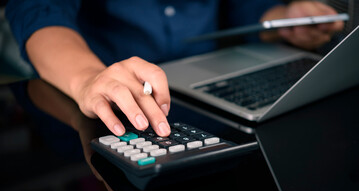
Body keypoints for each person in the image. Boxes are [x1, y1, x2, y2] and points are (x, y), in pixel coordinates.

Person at [5, 0, 344, 137]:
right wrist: (88, 78)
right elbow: (37, 10)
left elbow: (244, 7)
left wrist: (282, 19)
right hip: (97, 105)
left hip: (214, 95)